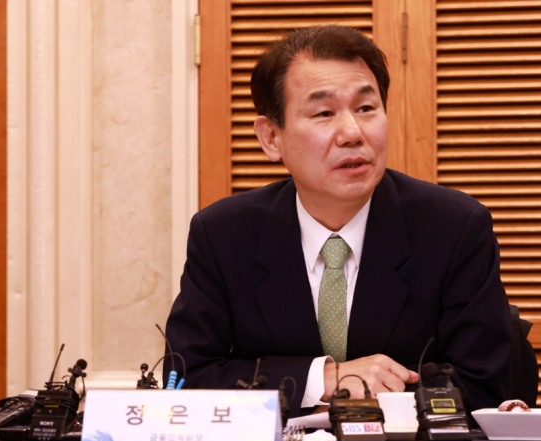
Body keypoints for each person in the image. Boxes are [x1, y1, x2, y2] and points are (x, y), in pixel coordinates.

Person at [163, 25, 513, 419]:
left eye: (366, 108)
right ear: (271, 138)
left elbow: (485, 385)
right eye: (324, 113)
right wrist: (323, 378)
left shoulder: (453, 228)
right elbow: (186, 380)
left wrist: (365, 403)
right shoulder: (223, 235)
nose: (352, 133)